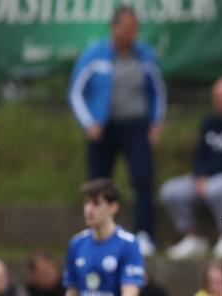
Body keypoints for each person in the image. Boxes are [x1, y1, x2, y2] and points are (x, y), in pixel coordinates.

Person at [68, 5, 166, 257]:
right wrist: (89, 122)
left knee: (143, 179)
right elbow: (76, 92)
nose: (131, 34)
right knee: (98, 185)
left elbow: (158, 90)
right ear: (114, 28)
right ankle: (97, 234)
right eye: (127, 29)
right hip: (103, 129)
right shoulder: (95, 54)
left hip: (136, 126)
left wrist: (156, 121)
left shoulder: (145, 55)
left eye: (135, 29)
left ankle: (144, 235)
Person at [161, 76, 222, 260]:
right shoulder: (209, 122)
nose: (218, 102)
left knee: (215, 189)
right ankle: (192, 238)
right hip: (206, 178)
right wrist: (200, 176)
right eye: (216, 97)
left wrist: (209, 177)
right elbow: (199, 155)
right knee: (171, 191)